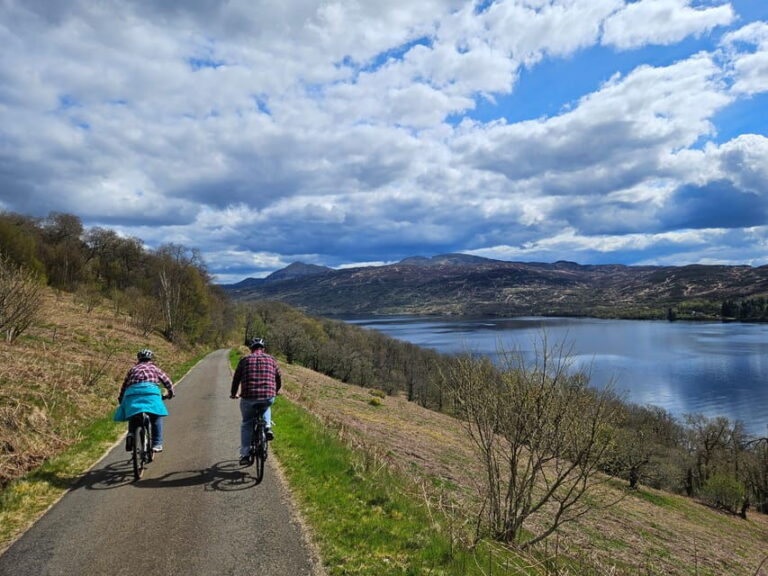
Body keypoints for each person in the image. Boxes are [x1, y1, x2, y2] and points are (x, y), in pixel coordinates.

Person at [230, 337, 281, 466]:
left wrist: (233, 393)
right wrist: (276, 390)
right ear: (263, 349)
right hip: (268, 395)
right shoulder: (271, 359)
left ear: (251, 349)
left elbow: (236, 379)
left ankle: (245, 455)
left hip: (249, 397)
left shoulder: (244, 360)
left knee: (247, 423)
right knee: (266, 406)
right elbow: (278, 377)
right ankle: (267, 427)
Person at [114, 348, 174, 453]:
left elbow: (124, 386)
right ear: (150, 358)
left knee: (133, 414)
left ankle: (131, 434)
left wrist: (121, 397)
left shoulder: (132, 370)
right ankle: (157, 443)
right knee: (156, 416)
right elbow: (167, 381)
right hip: (151, 393)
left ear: (139, 359)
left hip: (132, 394)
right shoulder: (154, 368)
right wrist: (171, 393)